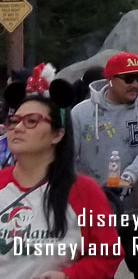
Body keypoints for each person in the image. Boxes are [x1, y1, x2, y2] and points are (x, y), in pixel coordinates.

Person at [1, 63, 123, 279]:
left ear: (57, 134)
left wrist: (70, 275)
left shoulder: (83, 191)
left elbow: (108, 254)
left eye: (31, 121)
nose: (17, 128)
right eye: (14, 121)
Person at [71, 52, 138, 279]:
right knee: (94, 274)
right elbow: (69, 158)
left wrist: (129, 176)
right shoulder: (81, 113)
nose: (135, 83)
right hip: (95, 212)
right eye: (128, 78)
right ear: (110, 80)